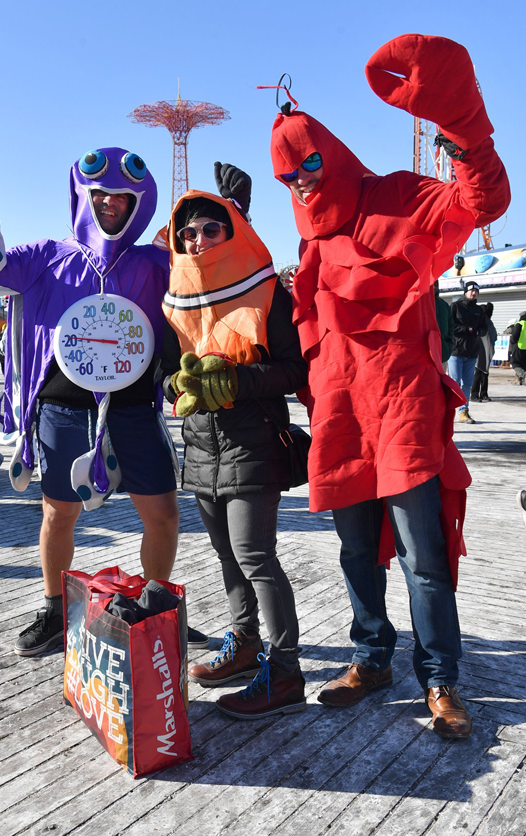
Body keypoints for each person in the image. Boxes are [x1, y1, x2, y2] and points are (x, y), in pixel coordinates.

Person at [268, 33, 510, 738]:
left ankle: (440, 679)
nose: (303, 180)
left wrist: (463, 128)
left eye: (310, 162)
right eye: (289, 176)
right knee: (352, 550)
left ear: (334, 152)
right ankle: (371, 658)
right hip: (341, 415)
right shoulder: (309, 247)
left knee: (422, 556)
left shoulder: (399, 195)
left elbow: (484, 202)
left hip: (401, 409)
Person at [0, 146, 207, 656]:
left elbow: (212, 282)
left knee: (163, 514)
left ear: (140, 202)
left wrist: (234, 215)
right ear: (82, 195)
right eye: (100, 194)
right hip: (62, 408)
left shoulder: (157, 263)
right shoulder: (49, 256)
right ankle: (55, 609)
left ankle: (156, 608)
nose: (110, 203)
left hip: (134, 409)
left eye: (122, 196)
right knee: (57, 514)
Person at [160, 181, 307, 719]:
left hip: (254, 440)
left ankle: (286, 670)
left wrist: (239, 381)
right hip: (200, 444)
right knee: (227, 556)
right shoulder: (176, 300)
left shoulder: (269, 291)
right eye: (188, 232)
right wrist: (178, 386)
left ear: (234, 231)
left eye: (210, 229)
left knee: (255, 555)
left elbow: (295, 368)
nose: (197, 240)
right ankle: (244, 643)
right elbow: (162, 371)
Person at [449, 281, 488, 422]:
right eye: (471, 290)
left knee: (467, 384)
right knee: (454, 382)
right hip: (456, 351)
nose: (474, 293)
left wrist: (478, 331)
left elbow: (485, 328)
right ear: (465, 291)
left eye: (476, 291)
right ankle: (447, 411)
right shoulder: (456, 306)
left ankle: (463, 411)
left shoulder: (479, 310)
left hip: (472, 352)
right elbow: (450, 326)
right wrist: (466, 329)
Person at [471, 302, 497, 401]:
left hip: (487, 351)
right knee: (479, 372)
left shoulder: (487, 322)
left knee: (484, 372)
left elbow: (493, 336)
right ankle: (474, 394)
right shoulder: (481, 322)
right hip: (480, 351)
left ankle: (483, 393)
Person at [434, 280, 454, 370]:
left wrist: (449, 346)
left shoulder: (444, 305)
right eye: (431, 285)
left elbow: (451, 327)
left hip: (443, 352)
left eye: (435, 285)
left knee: (440, 382)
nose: (433, 287)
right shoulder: (419, 303)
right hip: (424, 355)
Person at [509, 313, 526, 385]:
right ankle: (519, 380)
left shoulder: (519, 324)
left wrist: (512, 342)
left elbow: (514, 337)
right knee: (524, 364)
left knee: (515, 363)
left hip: (519, 346)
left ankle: (524, 374)